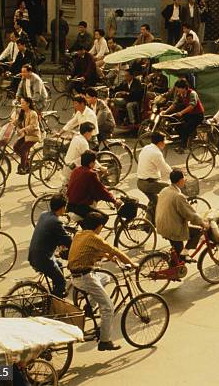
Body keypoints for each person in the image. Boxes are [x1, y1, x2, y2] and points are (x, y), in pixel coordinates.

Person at [68, 211, 137, 351]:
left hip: (76, 276)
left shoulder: (80, 234)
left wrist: (106, 256)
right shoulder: (94, 237)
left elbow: (89, 251)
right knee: (108, 307)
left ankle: (90, 306)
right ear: (99, 226)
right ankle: (105, 341)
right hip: (85, 277)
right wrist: (133, 264)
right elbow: (114, 250)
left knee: (105, 277)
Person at [156, 169, 207, 262]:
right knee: (198, 231)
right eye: (184, 178)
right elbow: (191, 215)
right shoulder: (178, 196)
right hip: (172, 229)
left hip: (161, 225)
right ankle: (184, 255)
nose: (185, 180)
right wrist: (203, 223)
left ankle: (176, 260)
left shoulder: (165, 190)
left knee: (176, 253)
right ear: (180, 180)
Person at [29, 194, 72, 298]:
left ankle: (56, 291)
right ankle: (54, 302)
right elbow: (69, 241)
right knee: (61, 281)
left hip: (33, 255)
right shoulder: (56, 222)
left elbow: (50, 233)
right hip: (43, 259)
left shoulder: (44, 215)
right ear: (62, 208)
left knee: (59, 265)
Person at [67, 150, 120, 220]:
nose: (95, 163)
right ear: (91, 163)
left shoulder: (76, 170)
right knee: (104, 218)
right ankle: (90, 231)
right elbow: (100, 190)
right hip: (80, 207)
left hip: (70, 205)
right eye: (94, 162)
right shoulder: (90, 174)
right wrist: (114, 201)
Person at [162, 79, 204, 154]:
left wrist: (181, 113)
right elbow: (174, 104)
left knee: (185, 127)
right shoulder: (180, 94)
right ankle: (184, 139)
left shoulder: (192, 93)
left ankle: (183, 147)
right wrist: (166, 112)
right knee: (177, 125)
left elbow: (192, 106)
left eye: (179, 88)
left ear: (184, 87)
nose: (178, 90)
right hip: (189, 114)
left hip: (197, 115)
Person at [137, 132, 172, 220]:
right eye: (164, 142)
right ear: (160, 143)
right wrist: (176, 175)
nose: (165, 144)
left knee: (155, 201)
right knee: (171, 189)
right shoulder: (156, 153)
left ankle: (148, 222)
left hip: (141, 182)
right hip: (149, 184)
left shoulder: (146, 148)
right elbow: (165, 169)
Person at [11, 97, 41, 174]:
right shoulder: (23, 112)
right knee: (16, 147)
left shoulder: (33, 113)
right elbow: (19, 121)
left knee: (23, 149)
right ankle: (27, 162)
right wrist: (13, 122)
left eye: (23, 104)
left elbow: (33, 126)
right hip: (27, 135)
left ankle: (23, 167)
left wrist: (23, 129)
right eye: (21, 103)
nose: (21, 105)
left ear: (28, 104)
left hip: (33, 136)